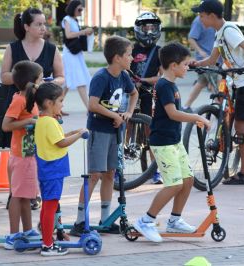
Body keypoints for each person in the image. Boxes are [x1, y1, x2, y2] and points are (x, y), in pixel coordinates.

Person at [133, 42, 210, 243]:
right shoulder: (164, 85)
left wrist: (194, 118)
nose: (187, 68)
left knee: (188, 179)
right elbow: (172, 113)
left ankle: (174, 220)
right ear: (174, 65)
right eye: (185, 64)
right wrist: (197, 118)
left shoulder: (170, 84)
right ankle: (146, 220)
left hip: (174, 141)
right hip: (163, 143)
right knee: (174, 184)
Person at [191, 0, 244, 185]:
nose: (199, 18)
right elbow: (213, 58)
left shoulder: (228, 30)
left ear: (212, 16)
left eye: (201, 15)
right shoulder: (220, 33)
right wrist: (198, 63)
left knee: (241, 125)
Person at [70, 36, 139, 236]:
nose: (132, 58)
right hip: (99, 131)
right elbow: (92, 105)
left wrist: (128, 113)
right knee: (94, 175)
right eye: (129, 54)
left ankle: (106, 219)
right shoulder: (102, 77)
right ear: (117, 58)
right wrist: (114, 115)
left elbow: (133, 94)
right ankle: (80, 221)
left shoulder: (124, 76)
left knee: (110, 174)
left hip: (116, 132)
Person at [0, 7, 65, 210]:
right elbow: (4, 76)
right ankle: (16, 193)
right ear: (26, 26)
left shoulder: (52, 49)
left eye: (44, 23)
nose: (43, 27)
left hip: (43, 108)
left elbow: (62, 76)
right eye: (38, 24)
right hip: (19, 107)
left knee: (39, 151)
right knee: (18, 153)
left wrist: (50, 82)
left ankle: (33, 193)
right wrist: (26, 80)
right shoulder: (13, 47)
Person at [26, 82, 87, 256]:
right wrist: (79, 135)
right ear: (48, 103)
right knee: (50, 207)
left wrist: (74, 131)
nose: (63, 104)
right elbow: (61, 143)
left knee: (48, 206)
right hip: (52, 171)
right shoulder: (49, 122)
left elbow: (58, 138)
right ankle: (47, 245)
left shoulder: (44, 121)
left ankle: (47, 240)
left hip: (48, 170)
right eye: (60, 100)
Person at [1, 61, 43, 249]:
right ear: (31, 82)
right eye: (40, 79)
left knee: (27, 195)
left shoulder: (31, 99)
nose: (42, 82)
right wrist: (30, 121)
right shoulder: (19, 100)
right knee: (17, 195)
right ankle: (13, 234)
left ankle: (27, 230)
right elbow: (6, 125)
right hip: (20, 156)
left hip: (29, 155)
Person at [128, 11, 163, 184]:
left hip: (148, 93)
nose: (149, 31)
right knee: (124, 126)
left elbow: (162, 76)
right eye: (145, 27)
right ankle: (118, 167)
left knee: (152, 132)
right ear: (138, 29)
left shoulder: (159, 52)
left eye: (153, 27)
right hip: (129, 92)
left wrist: (143, 81)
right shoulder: (131, 49)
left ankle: (156, 170)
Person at [182, 13, 217, 113]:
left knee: (201, 82)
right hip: (206, 59)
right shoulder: (198, 21)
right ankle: (218, 110)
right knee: (216, 85)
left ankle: (185, 106)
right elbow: (191, 38)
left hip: (211, 58)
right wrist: (201, 51)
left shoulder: (212, 19)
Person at [61, 0, 92, 109]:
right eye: (79, 9)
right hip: (70, 53)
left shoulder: (74, 20)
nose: (81, 11)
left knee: (67, 81)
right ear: (73, 8)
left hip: (75, 53)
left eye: (82, 9)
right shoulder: (67, 19)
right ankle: (89, 108)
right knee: (79, 79)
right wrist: (83, 32)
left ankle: (57, 106)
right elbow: (68, 35)